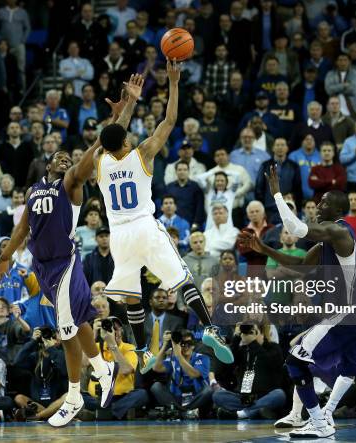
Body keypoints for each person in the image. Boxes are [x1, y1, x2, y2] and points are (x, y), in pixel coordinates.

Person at [0, 78, 145, 428]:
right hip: (41, 266)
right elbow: (22, 228)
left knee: (64, 330)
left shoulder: (71, 184)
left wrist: (122, 115)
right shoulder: (33, 191)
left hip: (64, 263)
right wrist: (6, 256)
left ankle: (78, 390)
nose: (65, 159)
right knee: (77, 324)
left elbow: (99, 148)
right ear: (47, 165)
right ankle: (99, 372)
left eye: (68, 158)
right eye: (58, 157)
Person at [237, 165, 356, 437]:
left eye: (324, 202)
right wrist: (263, 248)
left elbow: (296, 227)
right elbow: (302, 263)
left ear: (337, 210)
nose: (317, 204)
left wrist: (277, 194)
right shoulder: (330, 238)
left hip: (347, 314)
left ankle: (319, 423)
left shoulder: (339, 232)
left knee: (295, 360)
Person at [95, 62, 232, 369]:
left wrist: (126, 106)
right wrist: (173, 83)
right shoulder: (141, 154)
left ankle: (142, 348)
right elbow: (169, 121)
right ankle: (209, 328)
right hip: (145, 227)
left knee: (131, 293)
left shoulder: (100, 162)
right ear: (127, 142)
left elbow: (112, 134)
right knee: (182, 278)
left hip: (119, 235)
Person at [214, 322, 286, 419]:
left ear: (261, 333)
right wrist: (236, 338)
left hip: (265, 395)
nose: (248, 335)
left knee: (279, 394)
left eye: (251, 332)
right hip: (243, 398)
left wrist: (254, 344)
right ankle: (254, 411)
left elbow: (268, 362)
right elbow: (223, 367)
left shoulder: (273, 348)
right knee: (217, 395)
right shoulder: (242, 350)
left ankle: (241, 414)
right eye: (246, 332)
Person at [83, 316, 149, 419]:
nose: (113, 332)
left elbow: (125, 370)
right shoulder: (95, 346)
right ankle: (113, 412)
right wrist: (93, 335)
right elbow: (83, 363)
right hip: (97, 398)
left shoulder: (130, 348)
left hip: (121, 398)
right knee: (78, 395)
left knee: (142, 394)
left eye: (116, 329)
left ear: (121, 331)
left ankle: (103, 412)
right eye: (110, 329)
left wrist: (112, 344)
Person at [150, 329, 213, 418]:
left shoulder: (202, 358)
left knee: (209, 390)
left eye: (189, 343)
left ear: (193, 346)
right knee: (156, 387)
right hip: (177, 398)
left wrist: (178, 355)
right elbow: (156, 367)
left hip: (196, 398)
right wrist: (165, 345)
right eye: (183, 343)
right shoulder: (173, 359)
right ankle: (185, 413)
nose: (186, 346)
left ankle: (179, 412)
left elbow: (194, 374)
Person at [12, 327, 68, 421]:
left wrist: (52, 349)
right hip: (38, 404)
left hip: (57, 402)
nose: (48, 340)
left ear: (58, 340)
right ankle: (50, 415)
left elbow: (63, 369)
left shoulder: (62, 353)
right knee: (19, 398)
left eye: (52, 337)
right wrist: (32, 341)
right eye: (46, 338)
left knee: (67, 396)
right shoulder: (36, 356)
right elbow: (17, 362)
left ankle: (39, 416)